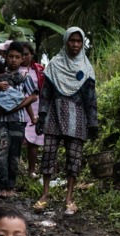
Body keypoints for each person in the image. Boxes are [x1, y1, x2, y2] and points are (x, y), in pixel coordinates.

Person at [34, 27, 98, 215]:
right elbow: (45, 94)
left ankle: (69, 198)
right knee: (49, 154)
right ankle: (45, 194)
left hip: (77, 117)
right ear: (66, 42)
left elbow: (90, 99)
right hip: (54, 113)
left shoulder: (86, 69)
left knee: (74, 157)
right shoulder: (54, 65)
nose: (76, 44)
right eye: (72, 40)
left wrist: (93, 122)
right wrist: (42, 115)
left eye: (79, 41)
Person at [0, 42, 39, 199]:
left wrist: (15, 107)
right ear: (5, 57)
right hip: (1, 120)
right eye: (11, 57)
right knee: (1, 153)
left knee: (14, 155)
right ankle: (3, 186)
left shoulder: (24, 77)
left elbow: (34, 96)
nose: (14, 60)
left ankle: (11, 185)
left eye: (17, 57)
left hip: (18, 121)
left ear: (22, 59)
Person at [18, 43, 46, 178]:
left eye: (26, 54)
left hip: (36, 107)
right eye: (21, 55)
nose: (24, 57)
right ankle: (15, 169)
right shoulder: (14, 70)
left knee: (33, 141)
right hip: (18, 108)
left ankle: (31, 171)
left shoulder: (39, 70)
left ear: (32, 55)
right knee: (16, 139)